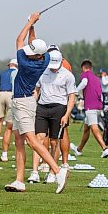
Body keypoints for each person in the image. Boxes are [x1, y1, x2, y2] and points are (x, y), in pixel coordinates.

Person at [4, 11, 68, 194]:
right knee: (19, 140)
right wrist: (33, 27)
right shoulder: (44, 58)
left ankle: (57, 171)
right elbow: (31, 42)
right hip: (23, 103)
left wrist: (30, 21)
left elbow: (19, 40)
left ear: (37, 56)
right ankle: (19, 180)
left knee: (32, 141)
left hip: (23, 103)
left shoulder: (27, 63)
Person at [27, 50, 77, 183]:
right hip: (42, 107)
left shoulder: (68, 76)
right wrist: (32, 105)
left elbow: (72, 97)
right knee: (38, 139)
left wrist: (67, 114)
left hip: (59, 108)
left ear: (62, 62)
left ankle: (52, 172)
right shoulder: (43, 72)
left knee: (55, 141)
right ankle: (35, 172)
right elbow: (36, 91)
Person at [70, 59, 108, 158]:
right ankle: (79, 149)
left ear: (83, 68)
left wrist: (74, 91)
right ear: (91, 68)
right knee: (86, 129)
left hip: (90, 106)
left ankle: (105, 148)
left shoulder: (85, 75)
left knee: (94, 128)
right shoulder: (96, 78)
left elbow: (84, 83)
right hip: (98, 106)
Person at [0, 59, 17, 159]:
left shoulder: (3, 73)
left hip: (0, 94)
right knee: (10, 125)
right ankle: (7, 150)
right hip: (10, 95)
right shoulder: (17, 73)